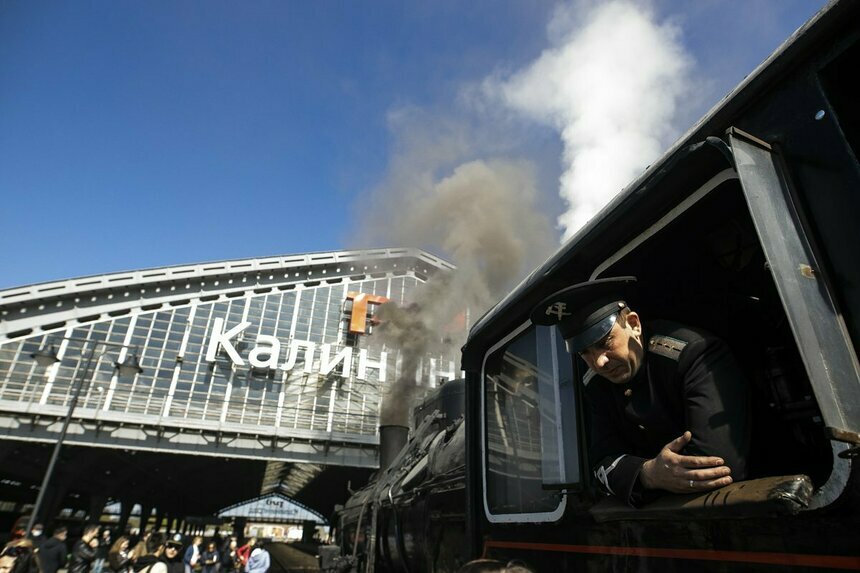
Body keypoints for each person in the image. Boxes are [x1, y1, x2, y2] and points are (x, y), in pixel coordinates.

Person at [531, 276, 749, 507]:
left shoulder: (693, 354)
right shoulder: (596, 385)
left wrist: (636, 476)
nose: (599, 362)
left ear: (634, 324)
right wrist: (648, 473)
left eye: (605, 342)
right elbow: (602, 463)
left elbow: (719, 467)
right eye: (584, 353)